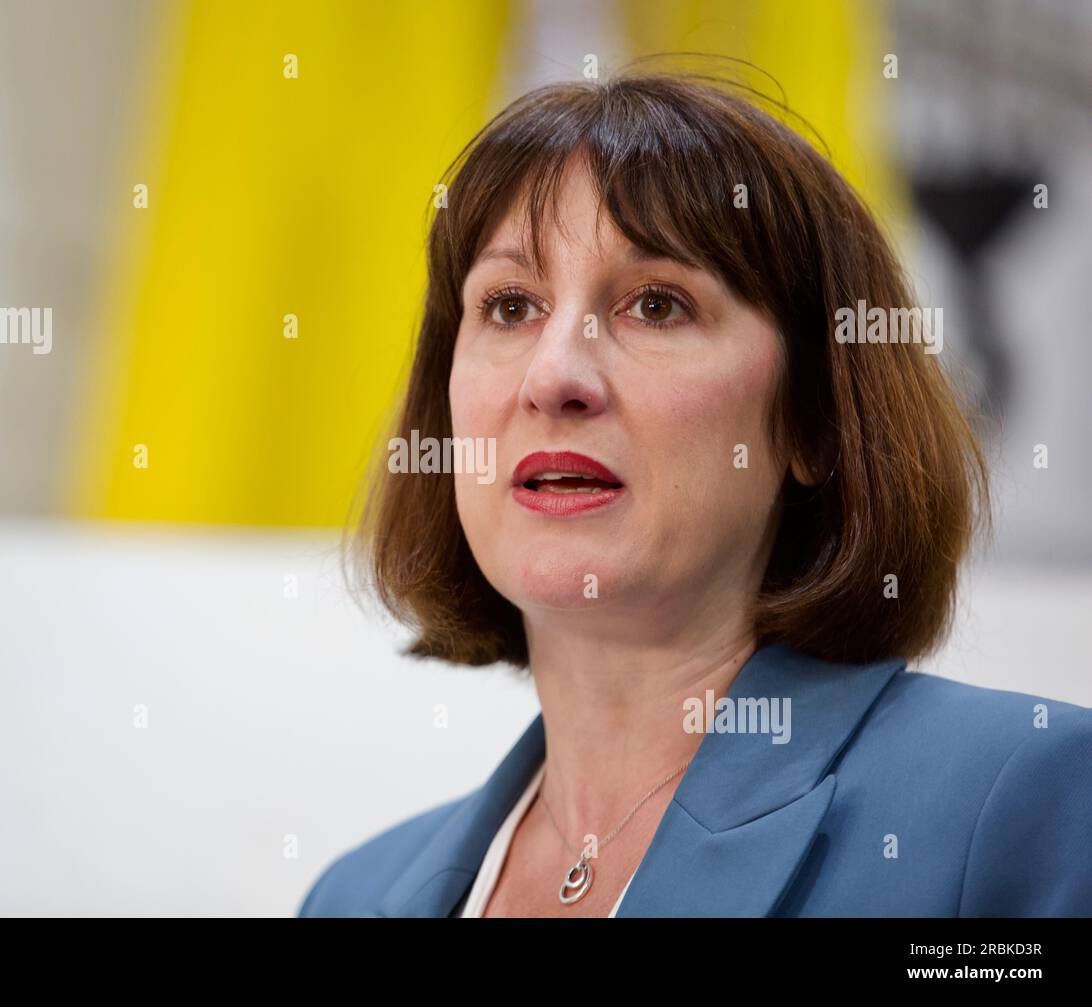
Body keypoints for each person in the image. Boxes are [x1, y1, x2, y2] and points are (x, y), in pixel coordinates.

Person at [297, 70, 1092, 917]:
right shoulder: (351, 896)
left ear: (814, 424)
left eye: (656, 304)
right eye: (510, 305)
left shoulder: (1024, 803)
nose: (555, 375)